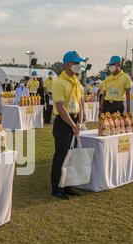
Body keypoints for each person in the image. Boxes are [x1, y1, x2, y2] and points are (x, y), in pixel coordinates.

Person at [51, 51, 85, 200]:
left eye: (79, 63)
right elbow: (60, 107)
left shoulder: (77, 81)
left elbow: (81, 103)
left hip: (75, 122)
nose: (78, 65)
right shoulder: (59, 82)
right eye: (75, 63)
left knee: (72, 156)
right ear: (68, 64)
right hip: (63, 123)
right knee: (61, 155)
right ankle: (57, 188)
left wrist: (80, 121)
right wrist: (73, 124)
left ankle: (68, 186)